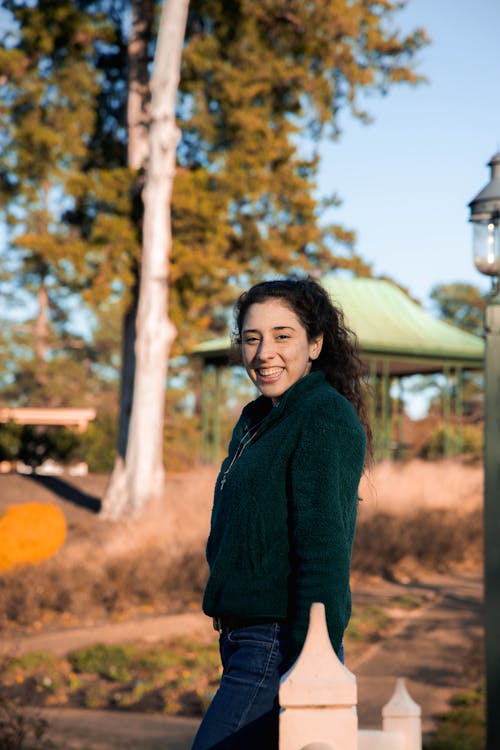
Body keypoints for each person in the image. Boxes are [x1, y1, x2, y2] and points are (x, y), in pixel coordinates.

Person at [191, 277, 372, 750]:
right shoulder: (257, 420)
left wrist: (316, 655)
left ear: (315, 344)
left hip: (278, 644)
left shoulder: (321, 416)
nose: (264, 351)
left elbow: (323, 547)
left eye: (282, 335)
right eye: (252, 338)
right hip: (242, 640)